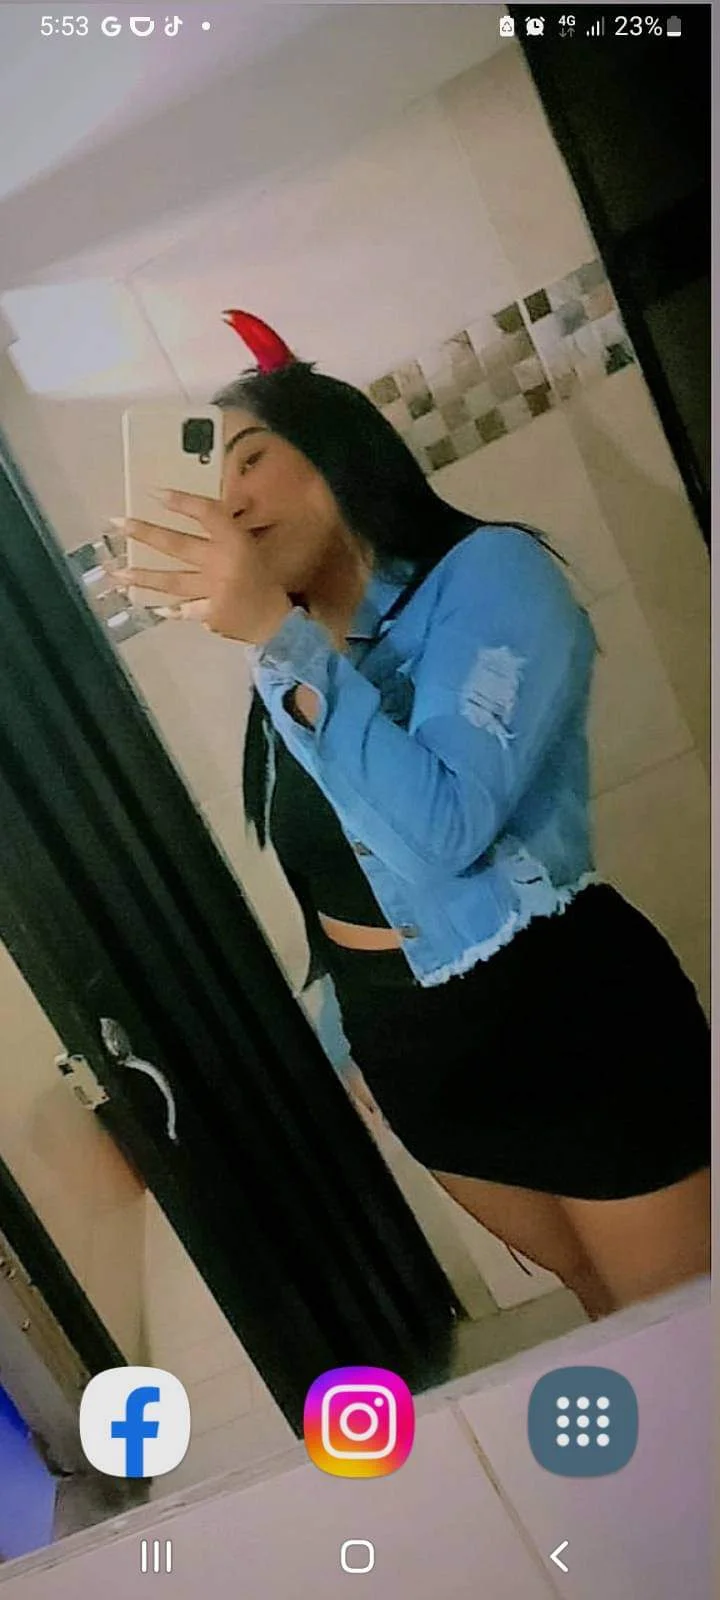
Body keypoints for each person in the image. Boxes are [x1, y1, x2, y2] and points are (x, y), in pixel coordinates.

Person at [111, 342, 710, 1321]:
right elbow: (336, 877)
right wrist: (350, 1037)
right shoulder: (302, 659)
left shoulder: (490, 573)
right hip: (415, 1056)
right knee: (600, 1309)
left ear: (338, 451)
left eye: (250, 459)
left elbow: (445, 829)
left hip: (560, 1022)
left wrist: (271, 635)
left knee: (677, 1322)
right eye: (212, 487)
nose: (231, 503)